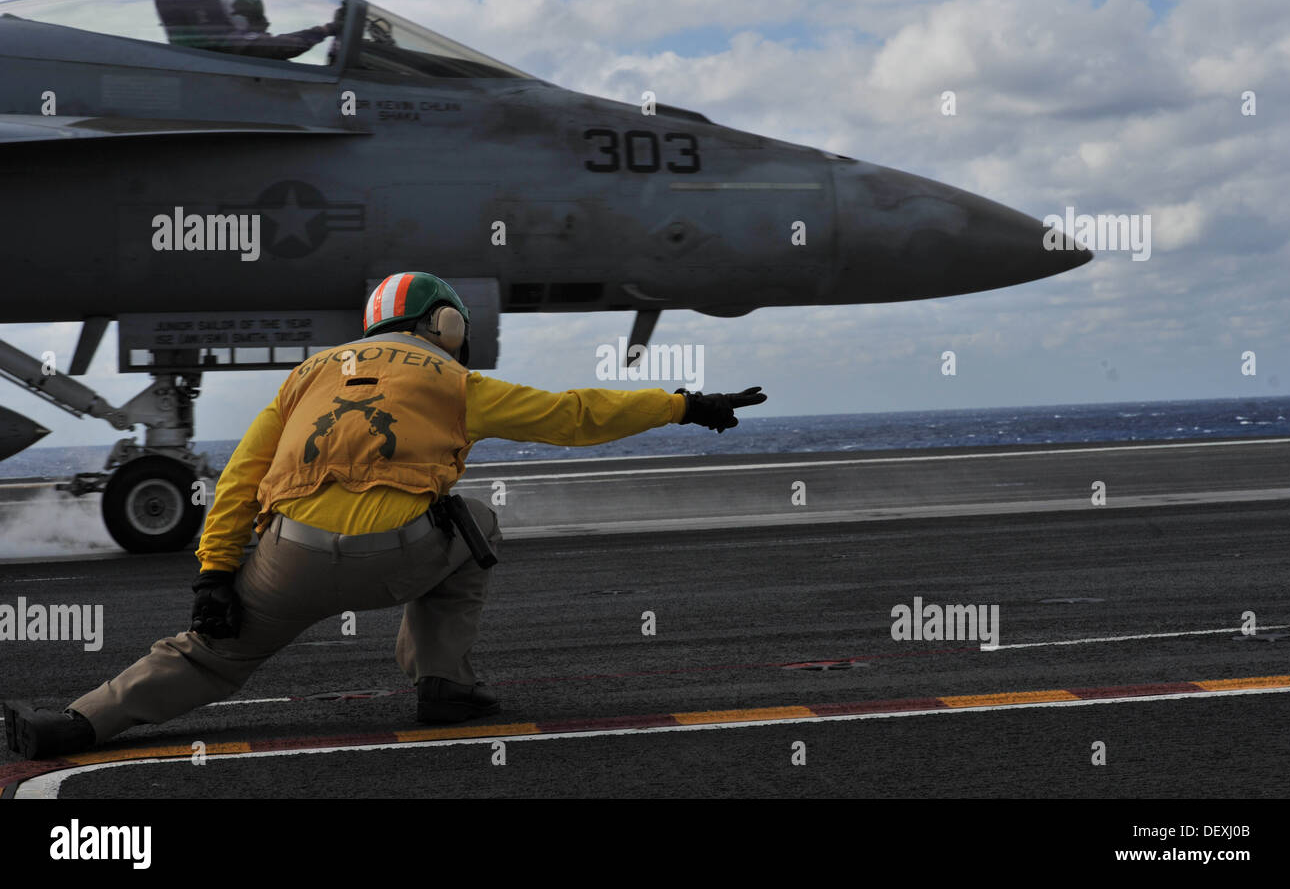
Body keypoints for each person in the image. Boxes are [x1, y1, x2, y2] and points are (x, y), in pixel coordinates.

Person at [3, 273, 766, 759]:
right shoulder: (454, 377)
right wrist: (687, 404)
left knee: (206, 653)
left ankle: (74, 724)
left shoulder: (306, 376)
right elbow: (574, 414)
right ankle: (443, 685)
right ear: (440, 323)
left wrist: (213, 573)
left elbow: (240, 477)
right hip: (400, 554)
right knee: (477, 524)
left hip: (288, 557)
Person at [216, 0, 340, 60]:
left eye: (254, 17)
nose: (254, 22)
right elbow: (284, 45)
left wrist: (325, 29)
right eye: (250, 17)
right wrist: (325, 30)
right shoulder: (232, 41)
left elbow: (276, 42)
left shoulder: (246, 45)